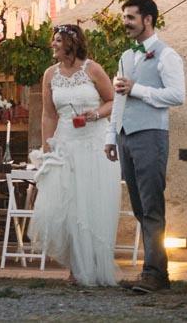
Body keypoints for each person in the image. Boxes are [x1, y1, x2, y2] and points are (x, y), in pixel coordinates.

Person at [104, 0, 185, 294]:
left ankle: (153, 273)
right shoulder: (126, 56)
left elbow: (177, 95)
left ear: (147, 19)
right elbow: (119, 99)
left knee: (152, 205)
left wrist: (140, 90)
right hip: (126, 136)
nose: (125, 22)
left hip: (151, 134)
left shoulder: (167, 55)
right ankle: (155, 272)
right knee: (140, 207)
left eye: (130, 18)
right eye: (124, 17)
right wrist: (111, 136)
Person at [31, 24, 121, 285]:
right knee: (66, 205)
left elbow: (113, 101)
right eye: (54, 40)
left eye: (58, 40)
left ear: (72, 43)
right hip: (66, 143)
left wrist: (92, 115)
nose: (53, 44)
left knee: (90, 204)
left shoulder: (91, 69)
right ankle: (75, 268)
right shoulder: (50, 74)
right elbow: (49, 114)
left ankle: (91, 266)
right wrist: (48, 147)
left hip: (94, 144)